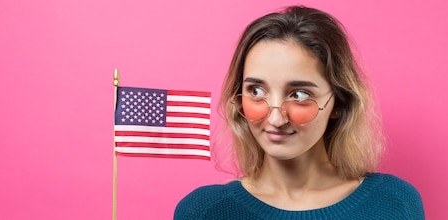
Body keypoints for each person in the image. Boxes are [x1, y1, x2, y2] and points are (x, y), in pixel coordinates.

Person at [174, 5, 424, 220]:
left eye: (300, 95)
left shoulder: (394, 203)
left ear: (338, 103)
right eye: (256, 91)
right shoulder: (204, 211)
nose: (275, 119)